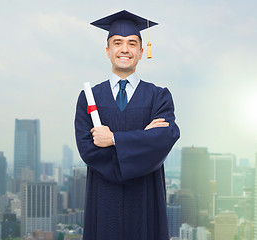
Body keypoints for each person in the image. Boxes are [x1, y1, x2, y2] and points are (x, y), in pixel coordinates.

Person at [74, 10, 180, 240]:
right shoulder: (89, 97)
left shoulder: (159, 97)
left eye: (132, 43)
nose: (124, 49)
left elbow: (164, 138)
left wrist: (114, 140)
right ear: (107, 51)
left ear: (141, 52)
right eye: (117, 43)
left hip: (145, 199)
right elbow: (89, 150)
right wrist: (142, 140)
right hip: (104, 200)